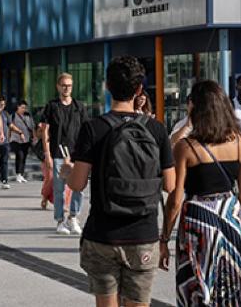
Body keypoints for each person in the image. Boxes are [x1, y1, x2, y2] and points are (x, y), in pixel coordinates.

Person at [61, 55, 176, 307]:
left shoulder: (93, 128)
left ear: (107, 86)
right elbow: (170, 185)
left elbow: (77, 184)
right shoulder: (156, 130)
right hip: (143, 234)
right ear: (139, 89)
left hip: (103, 235)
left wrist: (67, 171)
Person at [160, 80, 241, 306]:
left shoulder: (186, 147)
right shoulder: (240, 144)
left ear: (196, 109)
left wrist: (164, 239)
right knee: (235, 286)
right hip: (232, 217)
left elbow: (175, 198)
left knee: (199, 286)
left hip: (198, 221)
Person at [42, 73, 89, 235]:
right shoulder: (52, 106)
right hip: (57, 152)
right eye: (63, 85)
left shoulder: (79, 106)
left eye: (69, 85)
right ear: (58, 86)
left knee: (79, 187)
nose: (66, 88)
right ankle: (60, 221)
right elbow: (45, 131)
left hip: (77, 154)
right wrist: (47, 154)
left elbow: (85, 130)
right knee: (59, 189)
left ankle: (73, 217)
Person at [9, 100, 35, 183]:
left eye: (25, 108)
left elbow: (32, 127)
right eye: (22, 107)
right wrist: (8, 137)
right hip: (16, 139)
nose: (24, 109)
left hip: (26, 140)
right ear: (18, 107)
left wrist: (34, 136)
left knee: (24, 157)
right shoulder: (12, 116)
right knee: (19, 156)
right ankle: (18, 174)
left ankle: (21, 174)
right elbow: (9, 127)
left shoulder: (28, 116)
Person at [0, 96, 12, 189]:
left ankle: (4, 180)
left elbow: (10, 125)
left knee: (4, 161)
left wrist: (19, 132)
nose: (2, 106)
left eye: (3, 104)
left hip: (5, 142)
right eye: (0, 104)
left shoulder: (5, 114)